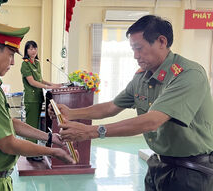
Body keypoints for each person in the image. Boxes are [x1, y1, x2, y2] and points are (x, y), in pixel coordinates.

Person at [50, 15, 213, 190]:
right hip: (159, 164)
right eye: (133, 49)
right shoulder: (142, 76)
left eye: (139, 48)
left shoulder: (188, 74)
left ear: (162, 41)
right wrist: (72, 113)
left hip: (192, 172)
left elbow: (152, 121)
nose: (135, 55)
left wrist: (92, 131)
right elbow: (112, 106)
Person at [0, 23, 75, 191]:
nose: (12, 62)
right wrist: (53, 152)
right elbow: (8, 143)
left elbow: (7, 122)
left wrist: (49, 138)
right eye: (10, 55)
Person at [20, 40, 62, 161]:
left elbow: (40, 79)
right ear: (26, 51)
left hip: (38, 98)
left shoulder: (36, 63)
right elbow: (32, 82)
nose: (33, 50)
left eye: (35, 48)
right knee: (31, 127)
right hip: (31, 99)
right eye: (30, 48)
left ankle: (33, 151)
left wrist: (54, 84)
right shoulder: (25, 64)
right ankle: (30, 154)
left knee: (36, 127)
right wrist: (49, 87)